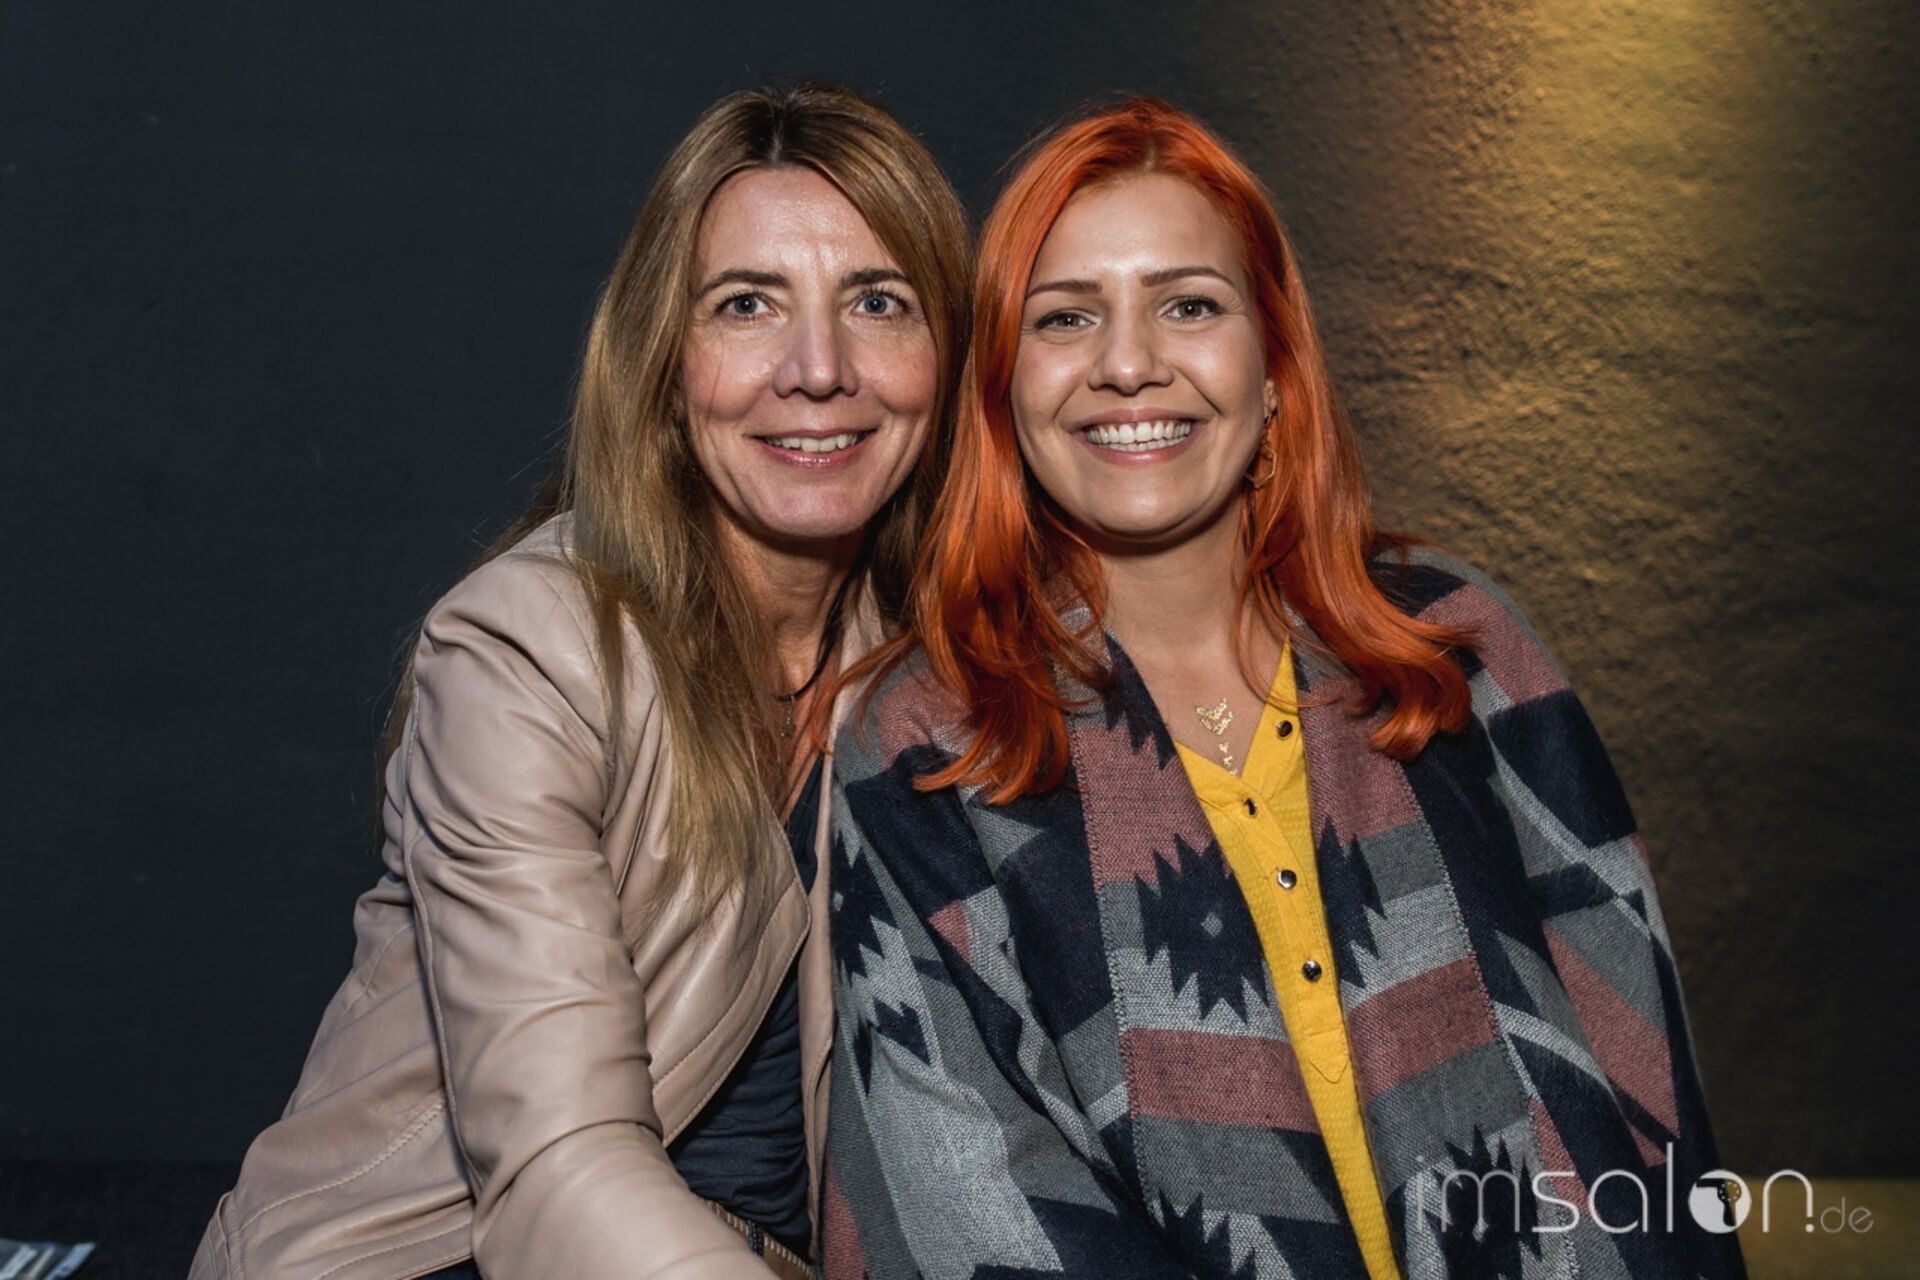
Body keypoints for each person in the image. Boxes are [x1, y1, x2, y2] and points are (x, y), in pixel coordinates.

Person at [824, 98, 1744, 1279]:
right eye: (1066, 316)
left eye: (1189, 305)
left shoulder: (1459, 646)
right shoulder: (924, 739)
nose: (1128, 363)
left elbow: (1647, 1074)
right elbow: (963, 1194)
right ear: (1003, 388)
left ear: (1275, 368)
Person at [190, 82, 969, 1280]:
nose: (818, 369)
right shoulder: (522, 652)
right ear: (665, 362)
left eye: (878, 301)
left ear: (949, 357)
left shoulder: (919, 667)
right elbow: (557, 1169)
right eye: (747, 304)